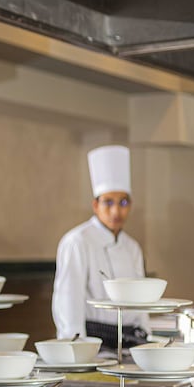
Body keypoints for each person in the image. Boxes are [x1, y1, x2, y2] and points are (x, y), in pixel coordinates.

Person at [52, 145, 149, 351]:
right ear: (95, 205)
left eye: (123, 203)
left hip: (130, 343)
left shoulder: (132, 247)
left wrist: (146, 339)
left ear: (131, 205)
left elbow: (140, 303)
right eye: (108, 202)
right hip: (94, 342)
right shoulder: (77, 241)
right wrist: (76, 350)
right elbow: (69, 300)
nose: (116, 211)